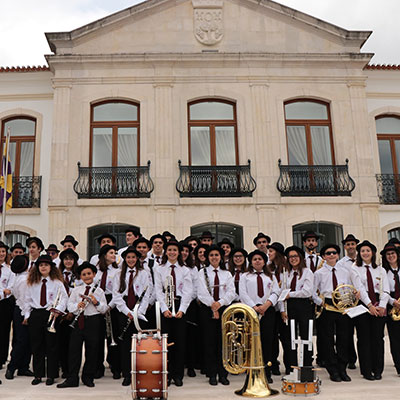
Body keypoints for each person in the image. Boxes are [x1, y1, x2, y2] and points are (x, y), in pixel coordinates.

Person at [57, 262, 108, 388]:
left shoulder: (99, 291)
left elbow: (104, 309)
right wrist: (77, 306)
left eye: (89, 273)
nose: (87, 276)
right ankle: (72, 378)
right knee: (74, 350)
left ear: (94, 274)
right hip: (79, 320)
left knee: (92, 350)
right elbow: (70, 305)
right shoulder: (76, 290)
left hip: (93, 321)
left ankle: (88, 377)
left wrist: (96, 302)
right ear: (80, 276)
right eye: (84, 274)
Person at [313, 244, 356, 382]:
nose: (331, 255)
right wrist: (320, 303)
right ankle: (332, 370)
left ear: (338, 255)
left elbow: (351, 288)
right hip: (327, 306)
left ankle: (342, 368)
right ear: (323, 256)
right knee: (327, 339)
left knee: (344, 338)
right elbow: (312, 292)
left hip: (342, 304)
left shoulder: (345, 271)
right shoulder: (318, 273)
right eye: (328, 253)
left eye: (334, 253)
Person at [23, 254, 68, 385]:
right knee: (37, 346)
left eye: (46, 265)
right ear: (37, 267)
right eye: (41, 265)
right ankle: (38, 375)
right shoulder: (32, 282)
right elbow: (27, 300)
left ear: (51, 267)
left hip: (51, 314)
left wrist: (57, 310)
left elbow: (64, 298)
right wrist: (27, 315)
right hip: (36, 314)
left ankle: (51, 375)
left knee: (52, 346)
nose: (43, 267)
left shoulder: (57, 282)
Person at [154, 240, 193, 387]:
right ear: (166, 251)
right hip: (165, 306)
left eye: (175, 250)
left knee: (180, 342)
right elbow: (158, 290)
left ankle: (178, 375)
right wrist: (164, 309)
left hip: (180, 306)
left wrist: (182, 309)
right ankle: (167, 374)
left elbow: (188, 291)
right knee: (166, 342)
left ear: (179, 253)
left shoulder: (185, 270)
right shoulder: (159, 269)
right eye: (169, 250)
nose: (172, 252)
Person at [239, 249, 280, 384]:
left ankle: (266, 372)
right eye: (254, 259)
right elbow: (243, 293)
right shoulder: (245, 276)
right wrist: (254, 307)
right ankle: (251, 370)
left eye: (260, 259)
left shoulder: (270, 276)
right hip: (251, 311)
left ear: (264, 262)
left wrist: (266, 305)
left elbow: (276, 292)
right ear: (251, 262)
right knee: (251, 341)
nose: (257, 261)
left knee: (267, 341)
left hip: (267, 310)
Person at [350, 240, 389, 380]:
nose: (365, 253)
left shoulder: (380, 270)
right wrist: (370, 305)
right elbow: (359, 288)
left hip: (379, 305)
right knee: (364, 339)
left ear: (373, 253)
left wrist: (382, 306)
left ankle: (378, 370)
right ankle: (366, 371)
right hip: (363, 305)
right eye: (362, 251)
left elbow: (385, 289)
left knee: (378, 339)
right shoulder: (355, 268)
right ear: (359, 253)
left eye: (368, 250)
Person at [197, 245, 235, 386]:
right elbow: (201, 293)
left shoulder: (227, 274)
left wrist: (219, 304)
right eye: (211, 255)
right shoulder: (202, 272)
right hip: (207, 309)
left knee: (224, 343)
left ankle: (223, 374)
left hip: (223, 309)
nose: (214, 257)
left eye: (216, 255)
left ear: (221, 257)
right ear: (208, 257)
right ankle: (212, 374)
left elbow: (231, 292)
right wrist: (213, 305)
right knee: (209, 343)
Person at [113, 246, 150, 386]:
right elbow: (116, 295)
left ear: (137, 259)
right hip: (124, 312)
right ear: (125, 259)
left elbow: (146, 294)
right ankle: (127, 374)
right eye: (128, 257)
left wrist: (138, 312)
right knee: (125, 345)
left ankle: (140, 372)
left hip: (139, 312)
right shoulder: (118, 274)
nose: (131, 260)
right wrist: (127, 312)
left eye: (133, 257)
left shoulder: (144, 273)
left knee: (140, 344)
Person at [280, 246, 314, 373]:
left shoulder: (307, 272)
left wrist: (291, 294)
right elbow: (281, 293)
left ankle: (306, 366)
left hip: (304, 306)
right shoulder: (285, 273)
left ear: (300, 257)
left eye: (295, 256)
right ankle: (291, 367)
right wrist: (282, 310)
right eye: (290, 257)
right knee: (290, 337)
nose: (293, 259)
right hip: (289, 307)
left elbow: (307, 292)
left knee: (306, 336)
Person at [94, 244, 120, 379]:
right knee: (98, 337)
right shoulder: (96, 271)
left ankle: (115, 366)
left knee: (112, 335)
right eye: (111, 253)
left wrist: (109, 306)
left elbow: (118, 292)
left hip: (111, 303)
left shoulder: (117, 271)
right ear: (104, 255)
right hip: (98, 302)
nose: (114, 255)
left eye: (114, 253)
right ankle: (98, 367)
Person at [5, 255, 33, 379]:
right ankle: (12, 367)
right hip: (22, 310)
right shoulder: (24, 280)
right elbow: (24, 299)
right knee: (22, 341)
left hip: (22, 310)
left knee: (27, 341)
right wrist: (26, 315)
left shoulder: (20, 277)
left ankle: (24, 367)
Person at [267, 242, 290, 376]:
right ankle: (273, 364)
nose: (269, 253)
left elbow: (284, 290)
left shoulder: (286, 269)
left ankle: (289, 365)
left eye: (271, 251)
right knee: (272, 338)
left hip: (283, 308)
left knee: (286, 338)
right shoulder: (268, 268)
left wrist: (282, 309)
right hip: (271, 307)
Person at [337, 233, 360, 370]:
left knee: (362, 331)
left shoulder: (362, 260)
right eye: (348, 244)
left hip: (362, 298)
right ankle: (351, 358)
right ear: (345, 247)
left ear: (356, 245)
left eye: (353, 244)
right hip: (348, 300)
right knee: (348, 331)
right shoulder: (340, 263)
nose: (350, 246)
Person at [58, 248, 81, 378]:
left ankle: (72, 369)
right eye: (65, 259)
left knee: (72, 344)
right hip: (60, 313)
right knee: (61, 342)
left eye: (71, 259)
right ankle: (64, 368)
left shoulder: (79, 276)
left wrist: (72, 311)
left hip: (74, 313)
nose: (68, 261)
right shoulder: (57, 275)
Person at [381, 243, 400, 376]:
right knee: (395, 338)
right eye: (388, 254)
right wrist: (393, 302)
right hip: (392, 304)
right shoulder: (383, 272)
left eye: (393, 253)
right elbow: (383, 291)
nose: (391, 256)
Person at [0, 241, 14, 370]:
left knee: (4, 331)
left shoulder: (9, 270)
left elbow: (10, 287)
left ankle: (2, 358)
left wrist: (5, 292)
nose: (1, 254)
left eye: (3, 251)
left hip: (4, 303)